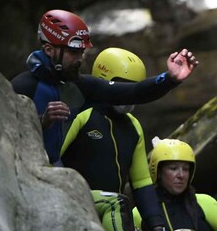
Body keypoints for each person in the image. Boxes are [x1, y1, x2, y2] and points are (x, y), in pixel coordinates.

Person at [11, 9, 198, 165]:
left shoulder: (82, 85)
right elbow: (5, 137)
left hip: (65, 183)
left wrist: (170, 78)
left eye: (82, 52)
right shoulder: (23, 86)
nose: (80, 59)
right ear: (49, 50)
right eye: (73, 52)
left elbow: (134, 92)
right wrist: (41, 121)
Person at [61, 47, 173, 231]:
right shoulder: (83, 114)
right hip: (72, 197)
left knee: (118, 202)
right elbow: (52, 154)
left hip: (106, 204)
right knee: (118, 202)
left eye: (134, 87)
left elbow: (142, 181)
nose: (128, 94)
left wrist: (156, 226)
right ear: (104, 82)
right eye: (122, 86)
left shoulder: (133, 126)